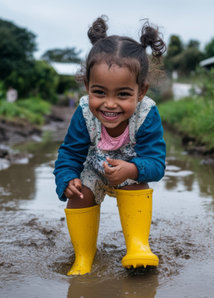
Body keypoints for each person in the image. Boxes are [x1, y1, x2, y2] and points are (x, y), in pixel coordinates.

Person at [53, 16, 166, 276]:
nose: (110, 104)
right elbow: (69, 153)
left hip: (129, 172)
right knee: (78, 194)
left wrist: (132, 169)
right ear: (87, 86)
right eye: (100, 92)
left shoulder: (147, 114)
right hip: (94, 171)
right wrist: (68, 178)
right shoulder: (83, 112)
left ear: (141, 91)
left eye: (123, 94)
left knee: (139, 182)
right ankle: (82, 257)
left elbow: (156, 163)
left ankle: (138, 246)